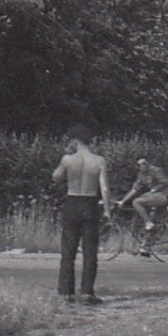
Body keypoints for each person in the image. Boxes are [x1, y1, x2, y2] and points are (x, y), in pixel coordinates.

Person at [52, 125, 111, 304]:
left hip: (72, 201)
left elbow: (56, 177)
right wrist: (107, 210)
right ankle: (87, 292)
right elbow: (105, 188)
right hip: (90, 202)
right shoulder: (99, 161)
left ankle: (65, 292)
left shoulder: (68, 160)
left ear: (75, 141)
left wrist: (65, 159)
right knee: (90, 250)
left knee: (68, 250)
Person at [118, 157, 168, 237]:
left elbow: (165, 182)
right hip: (154, 196)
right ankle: (147, 239)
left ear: (146, 164)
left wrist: (154, 190)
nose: (140, 167)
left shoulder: (155, 170)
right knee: (142, 201)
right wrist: (123, 201)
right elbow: (134, 189)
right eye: (138, 166)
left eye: (142, 164)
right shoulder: (141, 174)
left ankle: (148, 222)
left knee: (136, 202)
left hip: (162, 195)